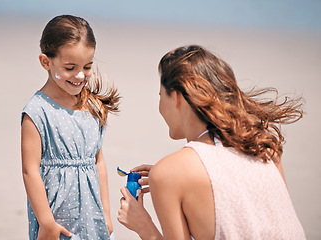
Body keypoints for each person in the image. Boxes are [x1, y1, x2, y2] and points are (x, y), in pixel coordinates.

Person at [117, 45, 306, 240]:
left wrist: (142, 225)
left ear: (176, 97)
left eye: (160, 95)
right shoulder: (263, 148)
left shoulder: (169, 173)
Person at [21, 15, 119, 240]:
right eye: (70, 67)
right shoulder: (37, 111)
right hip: (57, 221)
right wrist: (46, 223)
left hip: (93, 217)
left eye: (87, 66)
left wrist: (105, 212)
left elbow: (98, 161)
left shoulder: (92, 107)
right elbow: (30, 171)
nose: (80, 75)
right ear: (46, 62)